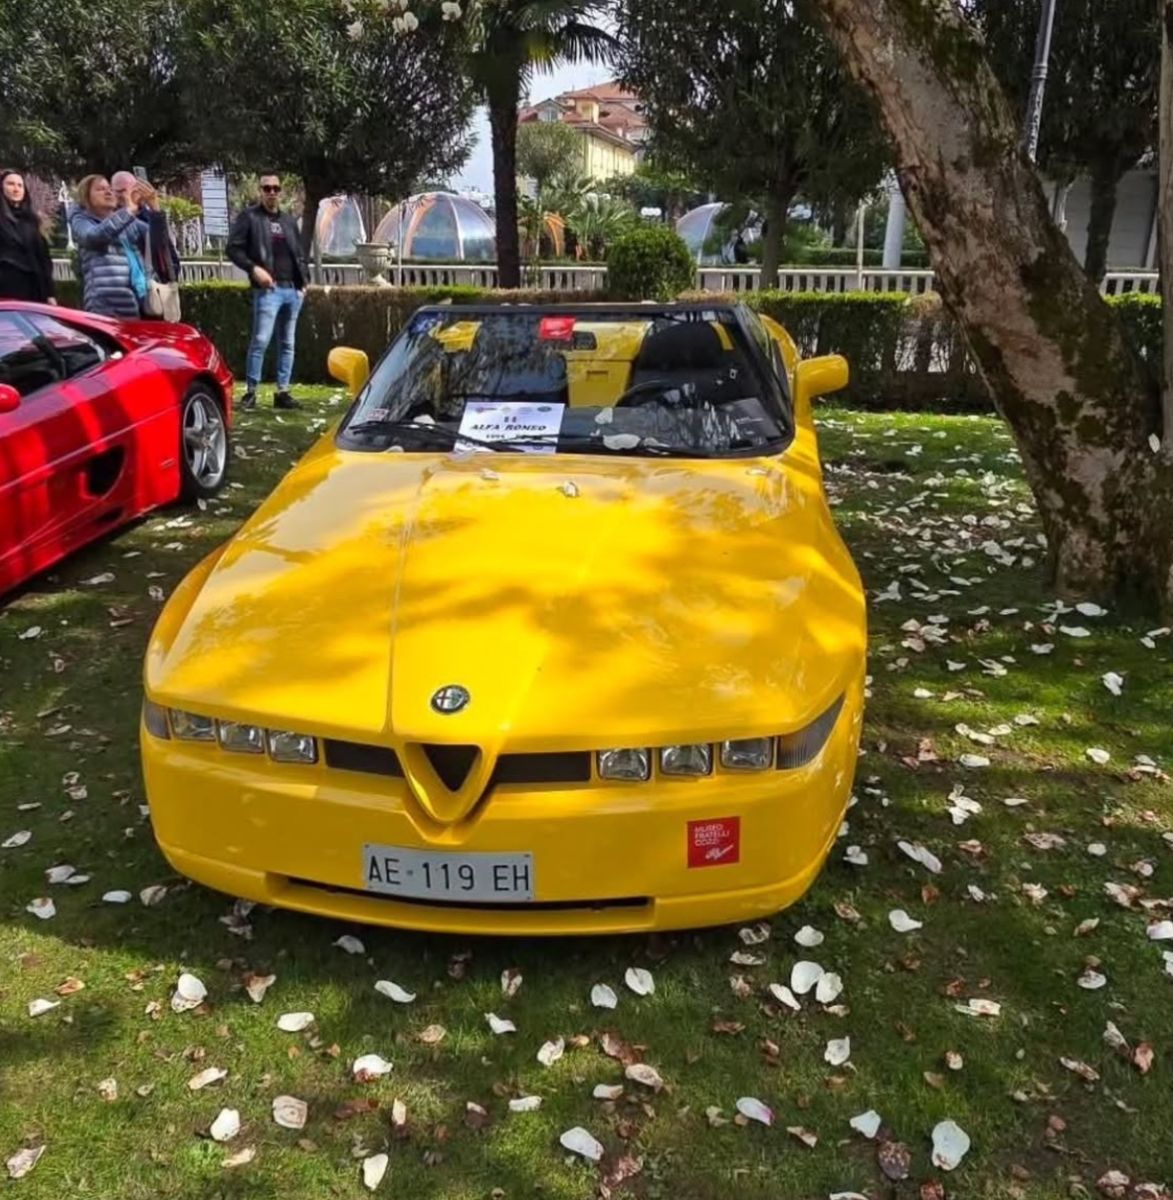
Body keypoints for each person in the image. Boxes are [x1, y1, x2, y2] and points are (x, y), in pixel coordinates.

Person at [227, 173, 307, 410]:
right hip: (268, 290)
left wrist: (304, 283)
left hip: (292, 290)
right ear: (260, 191)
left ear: (280, 191)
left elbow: (299, 254)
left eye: (275, 188)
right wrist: (254, 270)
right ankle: (251, 392)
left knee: (287, 343)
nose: (272, 192)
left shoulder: (288, 221)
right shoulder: (250, 217)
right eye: (267, 188)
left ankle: (283, 392)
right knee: (261, 340)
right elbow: (233, 248)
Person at [70, 174, 148, 318]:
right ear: (86, 197)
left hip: (132, 301)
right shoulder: (82, 220)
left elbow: (153, 235)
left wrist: (154, 210)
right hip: (104, 305)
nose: (108, 192)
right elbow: (93, 237)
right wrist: (128, 212)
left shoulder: (124, 219)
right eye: (100, 189)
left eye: (110, 189)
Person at [112, 170, 181, 319]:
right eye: (118, 192)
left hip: (152, 295)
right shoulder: (109, 222)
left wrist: (155, 209)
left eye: (126, 191)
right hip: (122, 299)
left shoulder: (150, 219)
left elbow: (167, 254)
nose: (123, 196)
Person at [0, 170, 57, 303]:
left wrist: (50, 293)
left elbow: (43, 259)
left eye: (20, 185)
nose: (16, 189)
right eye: (10, 184)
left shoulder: (32, 221)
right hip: (6, 288)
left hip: (34, 289)